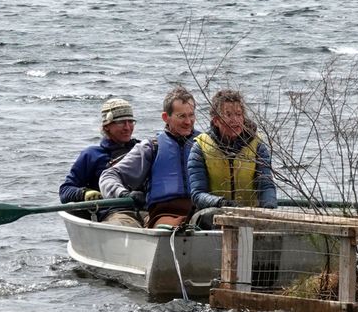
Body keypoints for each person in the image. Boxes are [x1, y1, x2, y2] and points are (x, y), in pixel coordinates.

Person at [100, 86, 200, 228]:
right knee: (179, 225)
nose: (188, 122)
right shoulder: (151, 147)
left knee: (208, 220)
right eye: (182, 116)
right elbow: (109, 175)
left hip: (200, 211)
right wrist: (123, 194)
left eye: (191, 115)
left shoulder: (205, 145)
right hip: (164, 214)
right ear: (166, 117)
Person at [187, 89, 276, 221]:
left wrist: (269, 209)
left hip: (250, 216)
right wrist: (223, 204)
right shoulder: (200, 147)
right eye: (228, 114)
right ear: (216, 120)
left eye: (239, 114)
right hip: (214, 215)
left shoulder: (257, 145)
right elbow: (198, 194)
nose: (235, 120)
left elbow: (266, 185)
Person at [59, 98, 141, 227]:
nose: (127, 127)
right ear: (107, 126)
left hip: (147, 209)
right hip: (114, 214)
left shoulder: (143, 150)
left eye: (130, 121)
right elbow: (65, 191)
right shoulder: (92, 155)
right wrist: (84, 193)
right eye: (121, 122)